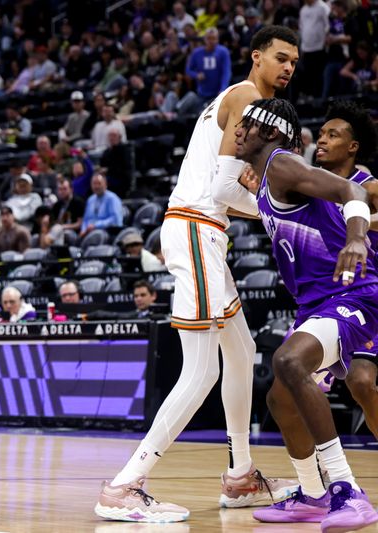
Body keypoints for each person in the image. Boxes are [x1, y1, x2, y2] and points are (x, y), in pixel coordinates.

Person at [95, 27, 301, 522]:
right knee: (203, 369)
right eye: (280, 57)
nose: (289, 67)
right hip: (195, 227)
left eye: (295, 61)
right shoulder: (249, 97)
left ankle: (240, 476)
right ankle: (125, 485)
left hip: (203, 232)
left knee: (244, 351)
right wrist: (279, 212)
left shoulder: (239, 101)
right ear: (255, 57)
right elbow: (225, 189)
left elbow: (228, 188)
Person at [236, 98, 378, 531]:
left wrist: (357, 237)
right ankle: (312, 494)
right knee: (279, 398)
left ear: (273, 132)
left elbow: (352, 191)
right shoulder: (268, 177)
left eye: (248, 123)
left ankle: (345, 491)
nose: (239, 129)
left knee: (291, 362)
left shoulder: (282, 164)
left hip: (353, 292)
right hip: (316, 302)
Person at [310, 101, 378, 440]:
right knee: (355, 384)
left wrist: (359, 225)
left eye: (332, 135)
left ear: (352, 146)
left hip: (369, 295)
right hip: (333, 299)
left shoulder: (368, 184)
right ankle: (318, 479)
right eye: (321, 134)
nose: (321, 140)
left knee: (361, 381)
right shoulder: (311, 186)